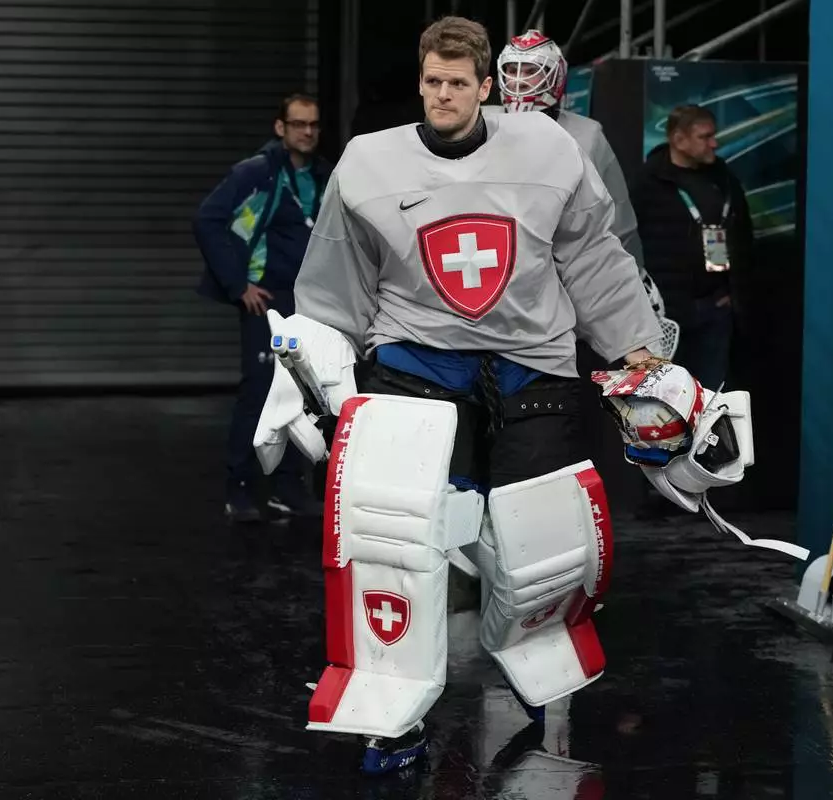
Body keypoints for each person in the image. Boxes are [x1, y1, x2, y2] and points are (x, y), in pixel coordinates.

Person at [247, 15, 754, 777]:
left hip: (530, 359)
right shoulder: (368, 162)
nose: (443, 95)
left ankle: (537, 664)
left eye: (458, 83)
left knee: (539, 537)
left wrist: (641, 353)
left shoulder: (550, 150)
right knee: (397, 534)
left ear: (485, 87)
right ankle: (391, 705)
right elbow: (335, 278)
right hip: (416, 357)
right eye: (432, 81)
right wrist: (312, 359)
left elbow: (593, 256)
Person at [494, 29, 677, 358]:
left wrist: (634, 278)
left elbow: (618, 220)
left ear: (556, 77)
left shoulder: (586, 135)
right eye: (512, 70)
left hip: (569, 283)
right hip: (502, 282)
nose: (519, 81)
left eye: (531, 70)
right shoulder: (483, 126)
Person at [193, 94, 332, 523]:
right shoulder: (256, 172)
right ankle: (238, 490)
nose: (307, 132)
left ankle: (288, 490)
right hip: (266, 301)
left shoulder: (325, 175)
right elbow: (207, 220)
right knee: (259, 393)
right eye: (298, 124)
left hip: (308, 303)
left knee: (304, 397)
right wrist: (239, 286)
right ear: (280, 127)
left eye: (313, 124)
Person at [629, 104, 756, 389]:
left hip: (716, 309)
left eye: (714, 135)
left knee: (713, 396)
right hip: (667, 317)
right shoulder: (647, 182)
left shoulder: (723, 178)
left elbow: (744, 237)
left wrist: (734, 293)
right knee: (667, 396)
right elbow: (627, 243)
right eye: (704, 137)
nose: (714, 143)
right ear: (679, 139)